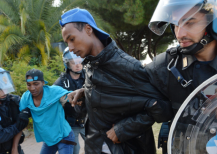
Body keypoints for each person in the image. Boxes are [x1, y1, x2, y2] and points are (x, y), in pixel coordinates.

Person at [146, 0, 217, 153]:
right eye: (176, 24)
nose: (180, 34)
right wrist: (121, 129)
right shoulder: (163, 66)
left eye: (190, 23)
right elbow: (133, 102)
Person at [60, 8, 172, 154]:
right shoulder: (90, 65)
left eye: (72, 39)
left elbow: (162, 108)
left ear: (88, 29)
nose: (70, 47)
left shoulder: (127, 66)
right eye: (67, 42)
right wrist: (85, 93)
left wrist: (124, 129)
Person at [19, 69, 76, 154]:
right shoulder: (26, 97)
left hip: (64, 136)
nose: (32, 88)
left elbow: (71, 95)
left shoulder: (54, 91)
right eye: (29, 85)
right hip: (49, 139)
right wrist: (25, 112)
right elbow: (21, 114)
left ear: (43, 83)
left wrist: (76, 99)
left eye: (36, 84)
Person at [53, 47, 86, 154]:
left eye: (79, 61)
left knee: (97, 148)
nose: (77, 65)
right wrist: (63, 100)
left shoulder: (89, 76)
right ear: (67, 64)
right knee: (74, 151)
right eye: (73, 62)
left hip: (89, 122)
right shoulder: (61, 82)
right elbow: (52, 98)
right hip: (71, 124)